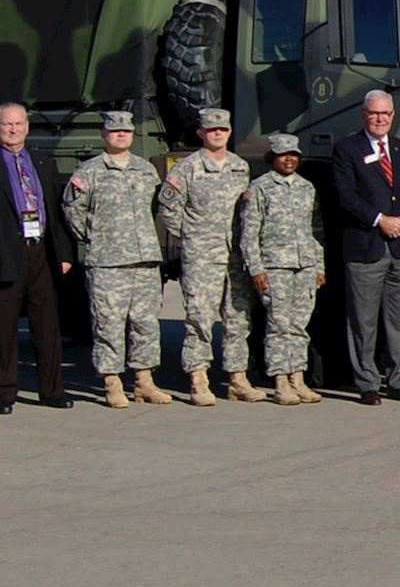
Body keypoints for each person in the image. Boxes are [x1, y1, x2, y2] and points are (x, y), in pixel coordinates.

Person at [62, 111, 169, 408]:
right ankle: (112, 383)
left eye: (126, 131)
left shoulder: (146, 170)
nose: (121, 135)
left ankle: (144, 381)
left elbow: (154, 208)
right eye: (114, 131)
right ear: (104, 135)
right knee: (108, 323)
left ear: (133, 135)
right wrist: (99, 238)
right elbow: (73, 213)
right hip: (108, 262)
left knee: (146, 323)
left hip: (144, 259)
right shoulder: (89, 172)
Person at [157, 108, 262, 406]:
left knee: (238, 318)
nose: (218, 134)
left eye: (223, 129)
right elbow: (169, 211)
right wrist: (191, 238)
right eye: (212, 129)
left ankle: (237, 378)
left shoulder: (240, 167)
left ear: (229, 133)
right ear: (201, 133)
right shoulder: (187, 169)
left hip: (235, 257)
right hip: (203, 257)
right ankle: (198, 378)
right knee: (200, 319)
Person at [331, 89, 400, 406]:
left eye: (385, 113)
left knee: (399, 321)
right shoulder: (347, 150)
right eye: (374, 113)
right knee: (363, 321)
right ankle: (367, 383)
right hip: (365, 247)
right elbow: (345, 197)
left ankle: (398, 381)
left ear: (393, 115)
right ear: (363, 115)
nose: (380, 118)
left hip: (399, 249)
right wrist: (380, 219)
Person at [238, 134, 326, 406]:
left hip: (304, 266)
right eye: (283, 155)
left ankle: (297, 378)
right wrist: (256, 269)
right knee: (278, 325)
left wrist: (319, 266)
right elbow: (249, 233)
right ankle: (279, 380)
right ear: (272, 158)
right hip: (274, 266)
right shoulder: (260, 188)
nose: (289, 159)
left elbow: (316, 230)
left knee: (299, 325)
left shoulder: (306, 188)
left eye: (293, 155)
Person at [0, 102, 73, 412]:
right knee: (4, 330)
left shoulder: (42, 162)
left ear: (28, 127)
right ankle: (5, 393)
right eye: (6, 125)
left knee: (47, 326)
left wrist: (65, 254)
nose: (13, 129)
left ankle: (52, 391)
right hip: (7, 253)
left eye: (18, 124)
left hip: (42, 251)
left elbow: (58, 213)